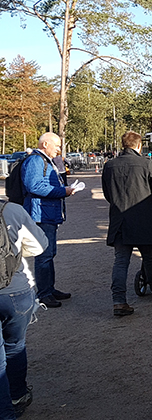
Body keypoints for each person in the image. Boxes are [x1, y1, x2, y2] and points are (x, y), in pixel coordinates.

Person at [102, 131, 152, 315]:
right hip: (145, 218)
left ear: (123, 145)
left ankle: (118, 300)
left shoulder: (109, 165)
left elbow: (107, 193)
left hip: (120, 219)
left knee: (121, 261)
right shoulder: (146, 164)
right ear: (139, 145)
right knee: (150, 256)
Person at [0, 201, 47, 419]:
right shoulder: (10, 210)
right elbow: (39, 246)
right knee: (14, 346)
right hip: (13, 291)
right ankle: (16, 397)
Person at [21, 132, 76, 308]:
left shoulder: (43, 161)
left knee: (49, 253)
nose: (59, 149)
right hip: (40, 215)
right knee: (44, 254)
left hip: (47, 213)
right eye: (57, 145)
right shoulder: (36, 161)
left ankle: (49, 289)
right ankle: (44, 293)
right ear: (45, 145)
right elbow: (34, 186)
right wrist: (63, 191)